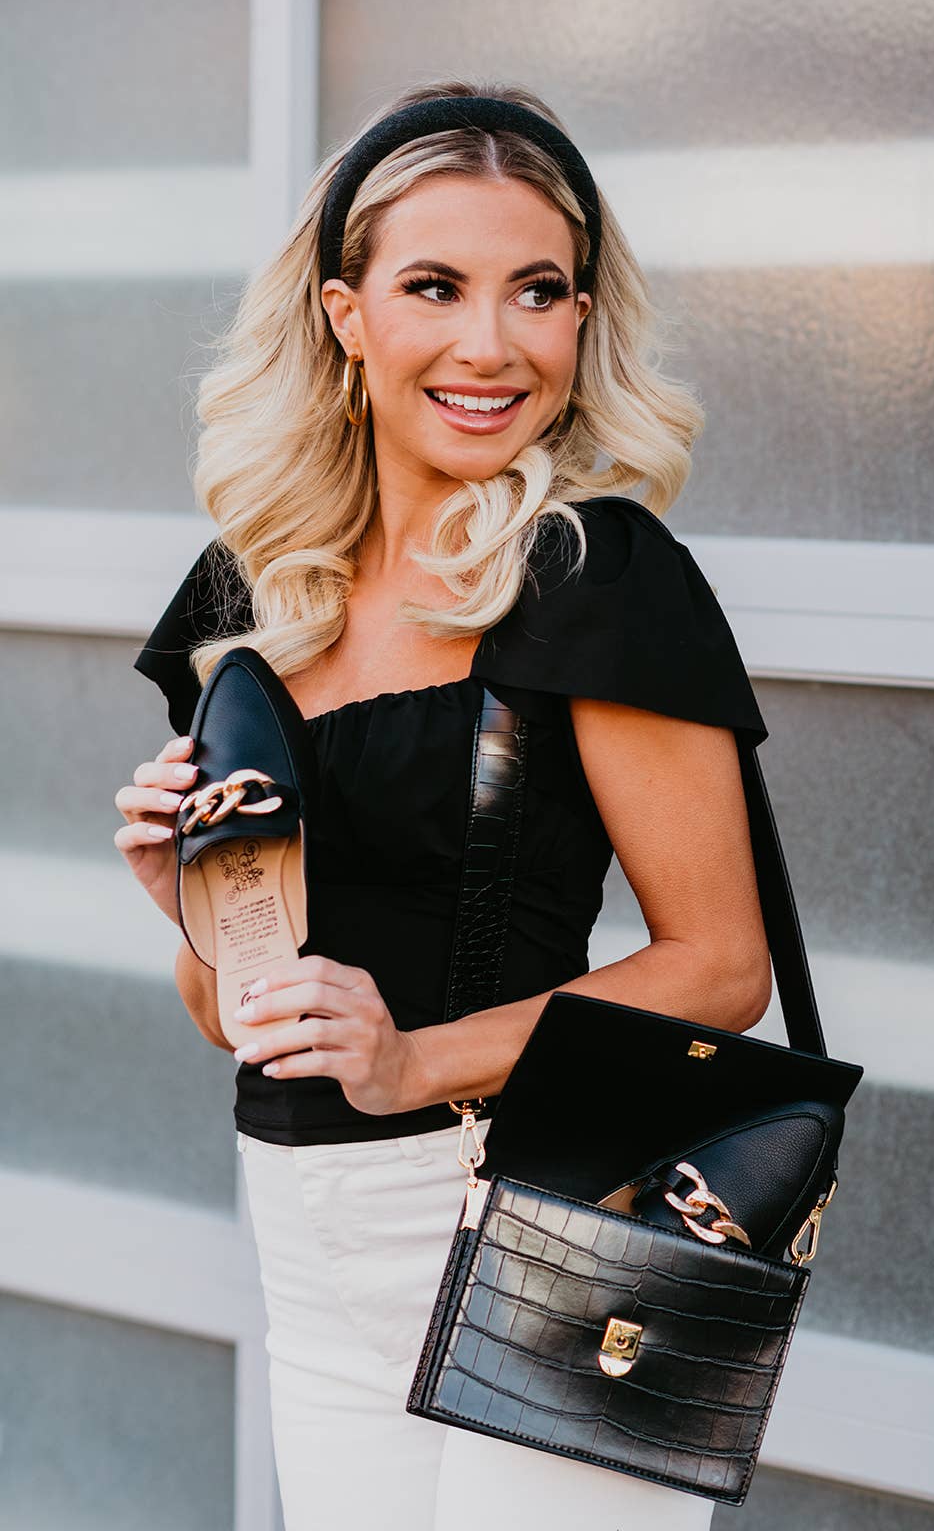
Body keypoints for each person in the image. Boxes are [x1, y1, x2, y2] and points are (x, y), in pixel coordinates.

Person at [114, 79, 772, 1531]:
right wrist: (197, 910)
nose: (492, 344)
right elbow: (238, 1012)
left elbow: (720, 969)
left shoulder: (593, 573)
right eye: (435, 287)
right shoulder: (253, 597)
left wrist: (413, 1064)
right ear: (346, 315)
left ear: (584, 320)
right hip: (306, 1221)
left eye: (538, 292)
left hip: (541, 1217)